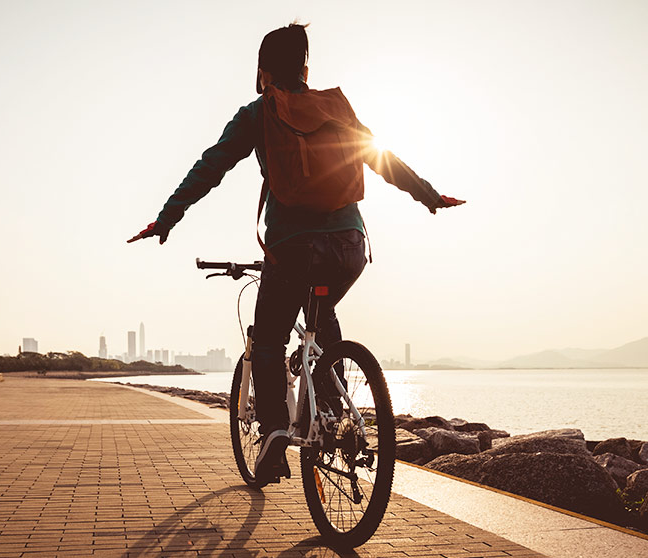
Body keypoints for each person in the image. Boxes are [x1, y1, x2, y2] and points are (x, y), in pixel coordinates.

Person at [128, 23, 464, 485]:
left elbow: (209, 167)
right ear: (306, 68)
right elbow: (380, 157)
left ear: (263, 72)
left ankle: (274, 435)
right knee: (321, 320)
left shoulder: (257, 113)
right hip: (349, 246)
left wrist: (167, 219)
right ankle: (337, 414)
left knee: (268, 340)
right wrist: (428, 195)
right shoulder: (335, 108)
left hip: (292, 249)